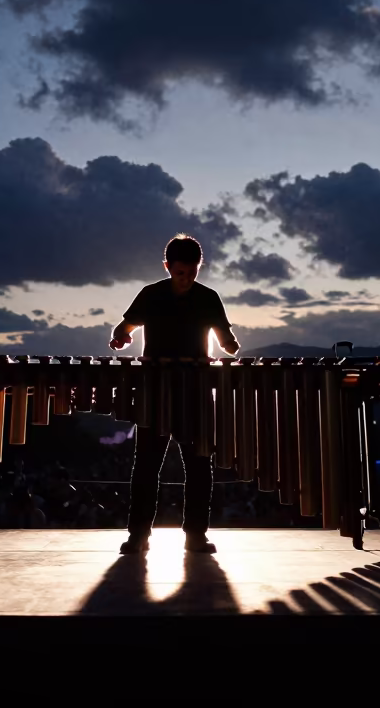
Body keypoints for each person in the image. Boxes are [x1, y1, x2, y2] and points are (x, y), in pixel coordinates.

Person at [109, 233, 239, 555]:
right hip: (155, 389)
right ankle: (138, 535)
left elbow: (225, 337)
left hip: (195, 389)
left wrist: (230, 345)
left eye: (192, 272)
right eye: (180, 272)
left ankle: (196, 535)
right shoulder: (150, 295)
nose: (186, 278)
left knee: (198, 465)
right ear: (167, 266)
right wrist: (119, 339)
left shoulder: (208, 298)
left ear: (199, 266)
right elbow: (124, 328)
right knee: (146, 466)